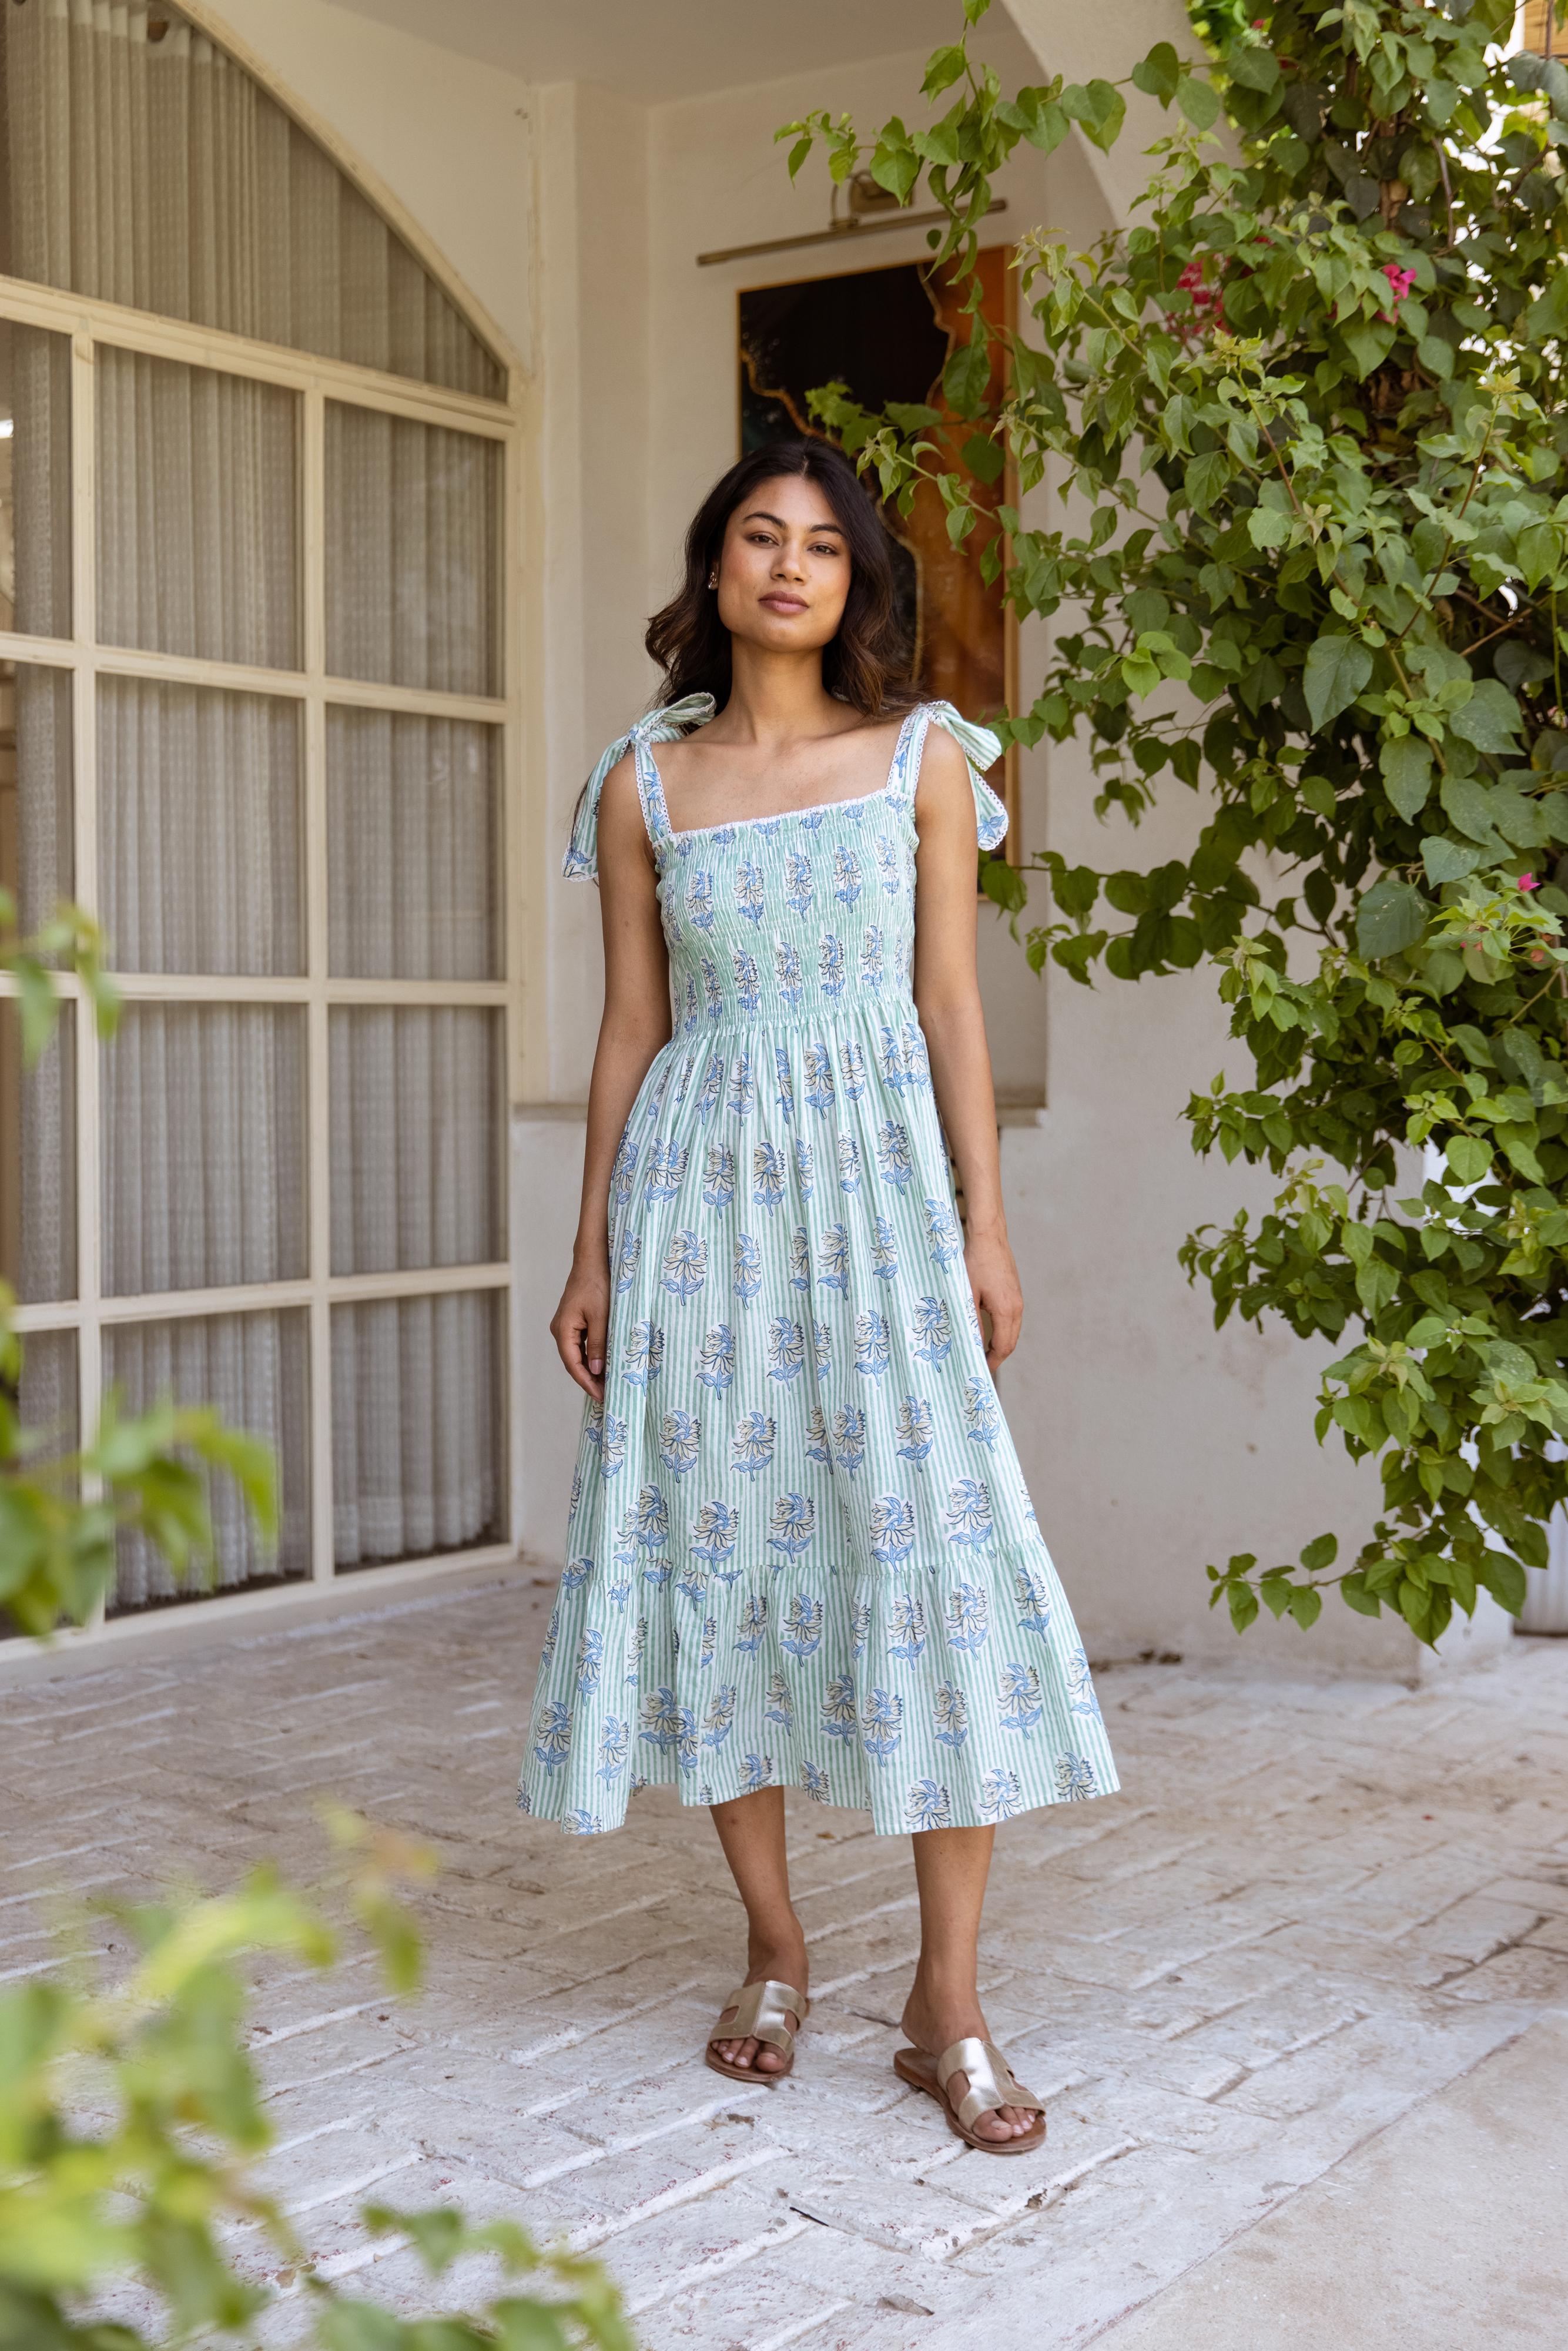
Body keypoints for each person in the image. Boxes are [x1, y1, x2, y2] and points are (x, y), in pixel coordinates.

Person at [519, 438, 1118, 2152]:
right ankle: (776, 1947)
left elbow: (949, 1007)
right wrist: (591, 1249)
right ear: (712, 571)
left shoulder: (921, 759)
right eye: (757, 540)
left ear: (854, 583)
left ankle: (948, 2003)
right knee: (721, 1550)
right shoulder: (643, 781)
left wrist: (982, 1228)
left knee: (932, 1557)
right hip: (697, 1195)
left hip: (875, 1196)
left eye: (823, 548)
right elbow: (631, 1028)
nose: (789, 567)